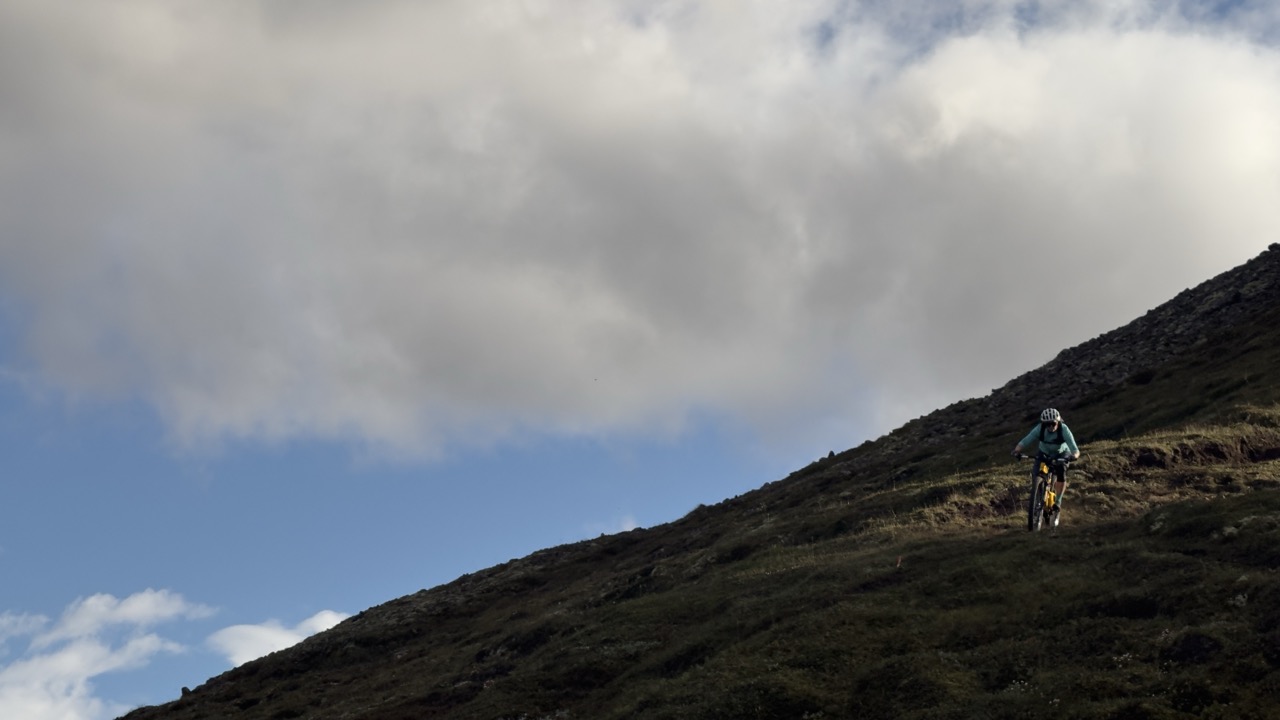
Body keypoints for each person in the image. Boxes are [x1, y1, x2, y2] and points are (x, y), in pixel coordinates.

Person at [1012, 408, 1080, 523]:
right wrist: (1017, 450)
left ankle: (1058, 502)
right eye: (1047, 424)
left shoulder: (1064, 430)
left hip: (1062, 453)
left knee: (1061, 472)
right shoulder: (1040, 429)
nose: (1051, 427)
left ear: (1058, 422)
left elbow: (1075, 449)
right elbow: (1026, 440)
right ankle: (1037, 496)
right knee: (1036, 474)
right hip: (1044, 453)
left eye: (1053, 423)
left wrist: (1074, 456)